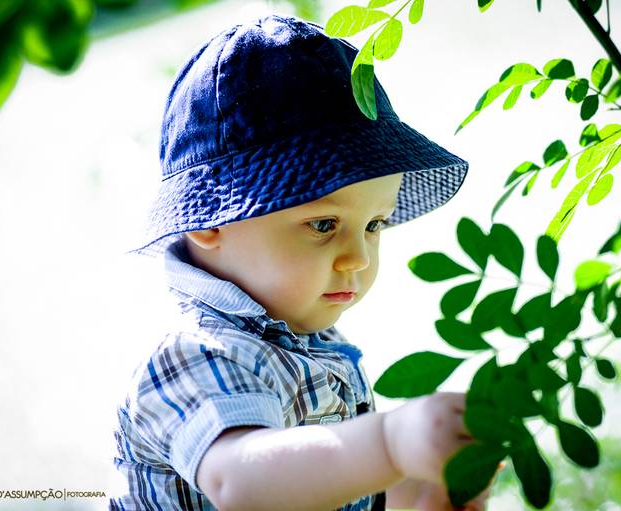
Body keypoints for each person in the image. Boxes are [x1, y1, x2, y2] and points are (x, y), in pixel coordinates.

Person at [110, 12, 496, 511]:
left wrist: (424, 489)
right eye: (323, 225)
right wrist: (390, 442)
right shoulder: (192, 354)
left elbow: (339, 481)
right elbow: (243, 482)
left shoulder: (310, 336)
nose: (358, 257)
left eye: (374, 225)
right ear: (207, 220)